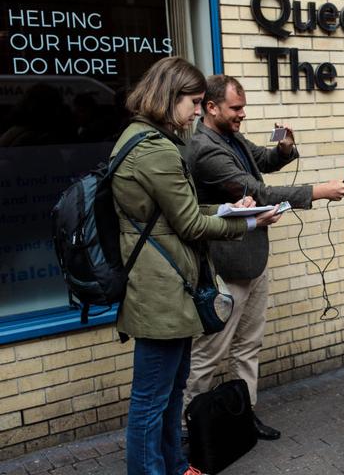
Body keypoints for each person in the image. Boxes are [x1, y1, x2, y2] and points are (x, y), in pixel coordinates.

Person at [112, 57, 281, 475]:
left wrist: (227, 208)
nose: (195, 111)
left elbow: (178, 211)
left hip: (169, 285)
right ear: (170, 98)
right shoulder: (154, 149)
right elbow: (189, 223)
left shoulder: (146, 138)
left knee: (169, 394)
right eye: (192, 101)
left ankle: (174, 464)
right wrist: (246, 221)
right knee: (152, 400)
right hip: (160, 289)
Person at [183, 74, 344, 439]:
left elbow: (262, 161)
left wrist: (285, 148)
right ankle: (191, 428)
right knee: (211, 352)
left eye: (243, 107)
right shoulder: (205, 149)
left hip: (252, 259)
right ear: (211, 108)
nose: (242, 114)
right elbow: (257, 191)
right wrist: (318, 191)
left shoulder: (228, 136)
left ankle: (245, 414)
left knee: (248, 345)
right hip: (225, 267)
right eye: (236, 108)